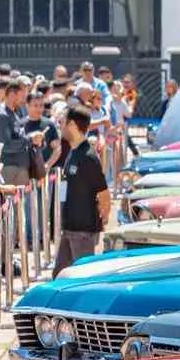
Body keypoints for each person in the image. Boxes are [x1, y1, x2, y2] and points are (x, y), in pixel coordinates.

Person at [54, 103, 111, 274]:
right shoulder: (73, 151)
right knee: (60, 274)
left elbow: (103, 193)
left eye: (62, 122)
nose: (59, 126)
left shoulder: (88, 157)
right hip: (69, 228)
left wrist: (102, 219)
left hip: (82, 230)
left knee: (83, 274)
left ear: (72, 124)